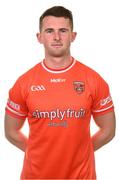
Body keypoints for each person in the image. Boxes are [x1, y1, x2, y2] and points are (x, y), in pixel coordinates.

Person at [4, 6, 116, 180]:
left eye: (63, 30)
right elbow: (11, 131)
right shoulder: (24, 83)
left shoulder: (94, 80)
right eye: (49, 31)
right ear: (39, 37)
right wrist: (39, 154)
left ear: (73, 36)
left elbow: (108, 130)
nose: (56, 37)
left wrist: (81, 152)